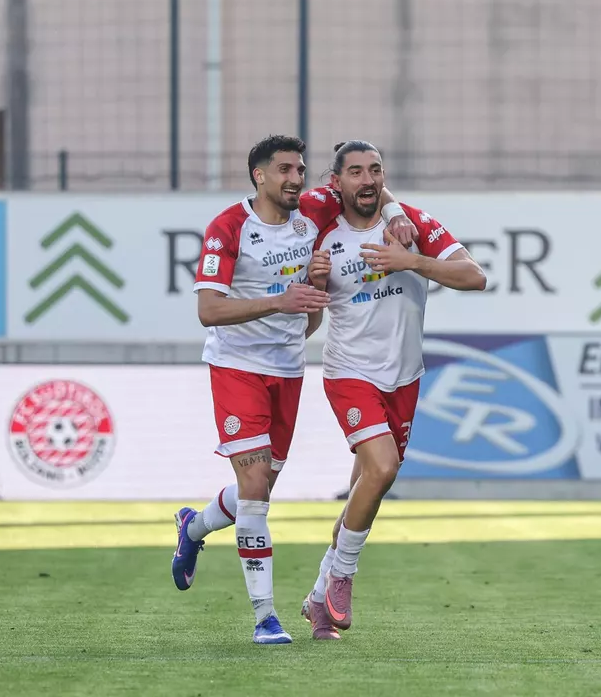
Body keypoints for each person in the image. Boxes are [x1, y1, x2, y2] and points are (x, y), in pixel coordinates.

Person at [170, 135, 416, 645]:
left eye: (300, 170)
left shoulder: (313, 209)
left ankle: (193, 527)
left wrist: (393, 213)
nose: (295, 179)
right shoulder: (228, 227)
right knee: (255, 490)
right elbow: (208, 310)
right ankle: (265, 617)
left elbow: (371, 186)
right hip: (236, 366)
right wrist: (280, 301)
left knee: (257, 489)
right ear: (258, 175)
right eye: (284, 170)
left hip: (286, 368)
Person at [300, 140, 487, 639]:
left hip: (404, 377)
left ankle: (318, 601)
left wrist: (412, 261)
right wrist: (312, 287)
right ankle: (343, 576)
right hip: (349, 373)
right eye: (356, 172)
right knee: (382, 468)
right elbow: (306, 327)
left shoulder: (412, 226)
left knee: (368, 488)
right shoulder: (322, 235)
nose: (367, 179)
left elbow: (474, 276)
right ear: (336, 182)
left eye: (375, 170)